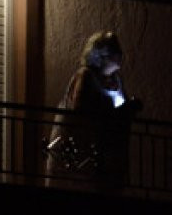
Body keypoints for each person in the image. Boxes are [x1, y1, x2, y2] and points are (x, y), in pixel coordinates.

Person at [44, 31, 140, 192]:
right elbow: (80, 109)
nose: (120, 56)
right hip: (81, 152)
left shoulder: (116, 79)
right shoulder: (85, 76)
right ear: (101, 55)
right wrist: (114, 111)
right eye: (115, 52)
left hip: (107, 151)